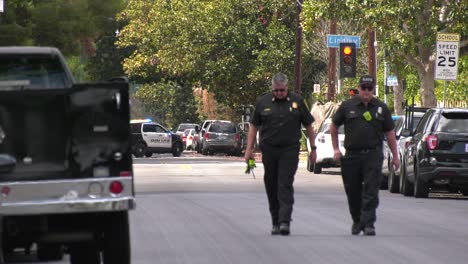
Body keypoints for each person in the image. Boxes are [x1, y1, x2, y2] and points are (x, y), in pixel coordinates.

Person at [244, 72, 317, 236]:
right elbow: (254, 126)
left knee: (284, 183)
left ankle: (285, 221)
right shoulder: (263, 102)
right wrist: (249, 149)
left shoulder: (297, 101)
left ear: (287, 87)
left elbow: (309, 126)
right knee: (271, 185)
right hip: (269, 150)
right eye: (276, 91)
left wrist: (313, 148)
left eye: (282, 91)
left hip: (289, 150)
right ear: (272, 88)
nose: (279, 93)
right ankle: (275, 221)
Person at [330, 75, 400, 236]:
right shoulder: (347, 106)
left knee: (371, 190)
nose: (367, 91)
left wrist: (395, 156)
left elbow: (390, 133)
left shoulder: (381, 108)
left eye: (370, 88)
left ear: (373, 89)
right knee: (352, 191)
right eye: (364, 88)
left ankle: (369, 224)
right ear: (359, 88)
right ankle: (357, 220)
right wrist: (335, 149)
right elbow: (334, 126)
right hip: (352, 156)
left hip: (373, 155)